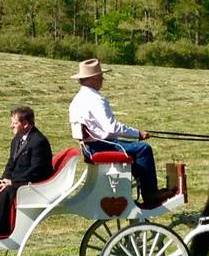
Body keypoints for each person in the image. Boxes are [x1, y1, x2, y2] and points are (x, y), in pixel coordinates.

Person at [68, 58, 171, 207]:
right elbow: (112, 128)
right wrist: (138, 133)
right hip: (102, 146)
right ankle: (151, 194)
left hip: (89, 148)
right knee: (143, 149)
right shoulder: (96, 99)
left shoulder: (76, 100)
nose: (102, 80)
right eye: (100, 77)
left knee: (134, 150)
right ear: (92, 79)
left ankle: (141, 184)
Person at [0, 105, 53, 238]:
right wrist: (4, 179)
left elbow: (37, 170)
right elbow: (10, 164)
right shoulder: (17, 140)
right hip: (17, 180)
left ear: (25, 124)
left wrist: (12, 182)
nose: (11, 126)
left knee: (9, 190)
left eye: (14, 123)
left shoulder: (38, 141)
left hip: (33, 183)